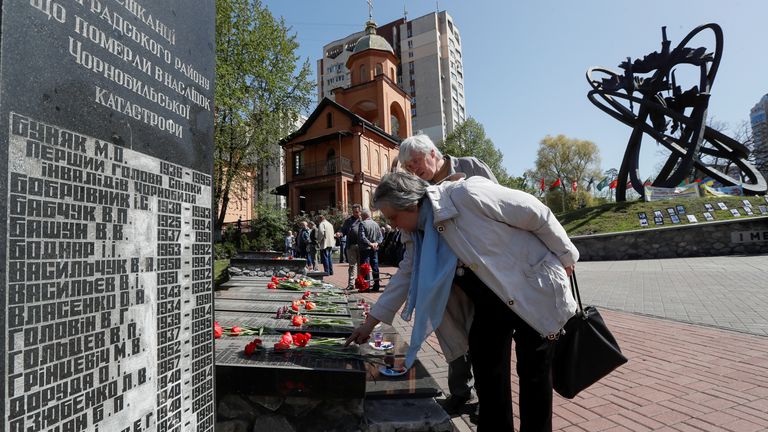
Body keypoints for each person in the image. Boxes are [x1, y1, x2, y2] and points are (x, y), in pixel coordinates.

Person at [346, 172, 578, 431]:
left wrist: (567, 256)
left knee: (535, 375)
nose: (394, 225)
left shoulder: (466, 196)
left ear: (411, 204)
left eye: (393, 218)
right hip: (491, 303)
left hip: (531, 290)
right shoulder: (417, 234)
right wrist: (369, 325)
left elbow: (536, 212)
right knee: (488, 374)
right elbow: (405, 275)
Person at [397, 133, 498, 413]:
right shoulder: (418, 188)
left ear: (432, 152)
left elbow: (498, 206)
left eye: (416, 161)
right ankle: (460, 392)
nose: (414, 169)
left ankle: (486, 400)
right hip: (445, 275)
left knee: (482, 336)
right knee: (452, 335)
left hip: (480, 270)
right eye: (408, 167)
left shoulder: (471, 166)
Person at [336, 204, 362, 290]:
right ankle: (351, 284)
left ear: (360, 212)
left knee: (360, 266)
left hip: (362, 246)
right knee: (352, 265)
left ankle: (359, 283)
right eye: (354, 212)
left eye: (357, 212)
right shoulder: (348, 221)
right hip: (351, 246)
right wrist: (340, 233)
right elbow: (343, 230)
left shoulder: (363, 220)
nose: (355, 213)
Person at [358, 208, 384, 291]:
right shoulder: (376, 224)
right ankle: (376, 285)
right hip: (374, 249)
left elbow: (362, 237)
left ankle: (366, 286)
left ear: (363, 216)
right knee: (375, 267)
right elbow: (381, 236)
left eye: (361, 215)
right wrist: (376, 243)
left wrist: (370, 243)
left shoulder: (362, 224)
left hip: (365, 249)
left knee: (365, 267)